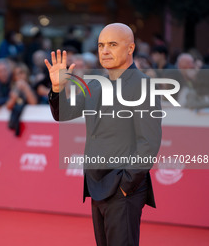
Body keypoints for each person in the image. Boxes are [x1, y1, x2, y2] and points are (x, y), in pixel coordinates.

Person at [45, 23, 162, 246]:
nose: (105, 50)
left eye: (112, 44)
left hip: (122, 188)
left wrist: (125, 186)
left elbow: (148, 143)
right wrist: (58, 88)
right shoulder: (96, 85)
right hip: (97, 186)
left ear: (130, 48)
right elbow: (63, 113)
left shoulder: (143, 86)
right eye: (101, 45)